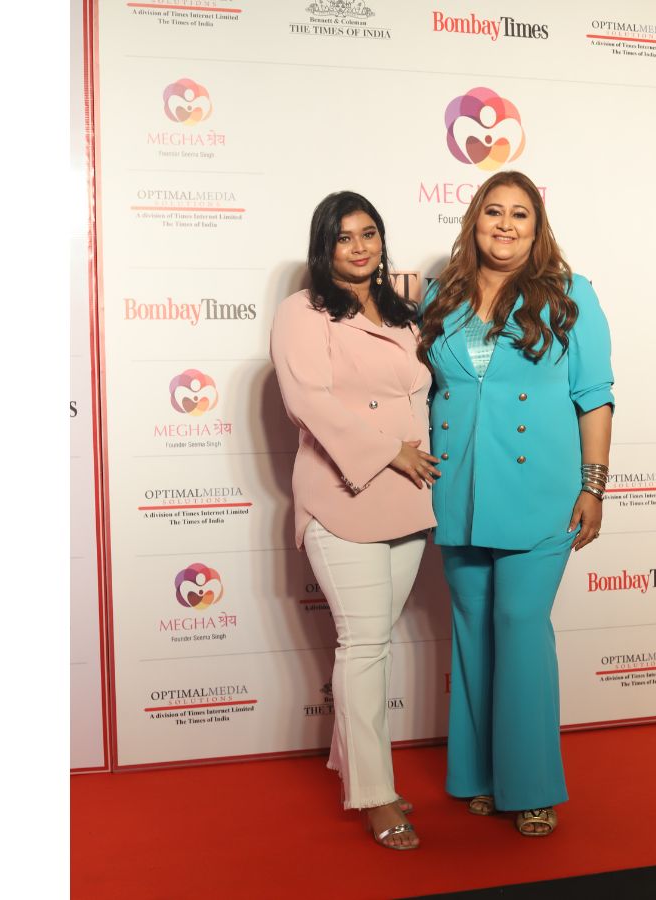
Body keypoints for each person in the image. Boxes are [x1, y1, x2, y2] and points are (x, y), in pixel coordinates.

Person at [418, 170, 615, 837]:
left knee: (521, 625)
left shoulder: (570, 294)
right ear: (474, 221)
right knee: (472, 628)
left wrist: (593, 485)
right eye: (493, 212)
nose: (505, 224)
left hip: (539, 494)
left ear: (537, 228)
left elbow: (594, 395)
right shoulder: (439, 296)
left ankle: (530, 786)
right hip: (457, 491)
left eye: (520, 214)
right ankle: (478, 775)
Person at [270, 191, 441, 850]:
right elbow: (306, 401)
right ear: (325, 246)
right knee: (364, 646)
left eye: (369, 233)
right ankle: (375, 795)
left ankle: (356, 769)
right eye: (345, 237)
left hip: (407, 496)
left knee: (373, 644)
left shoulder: (401, 311)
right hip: (344, 494)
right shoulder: (303, 311)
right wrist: (389, 451)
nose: (360, 247)